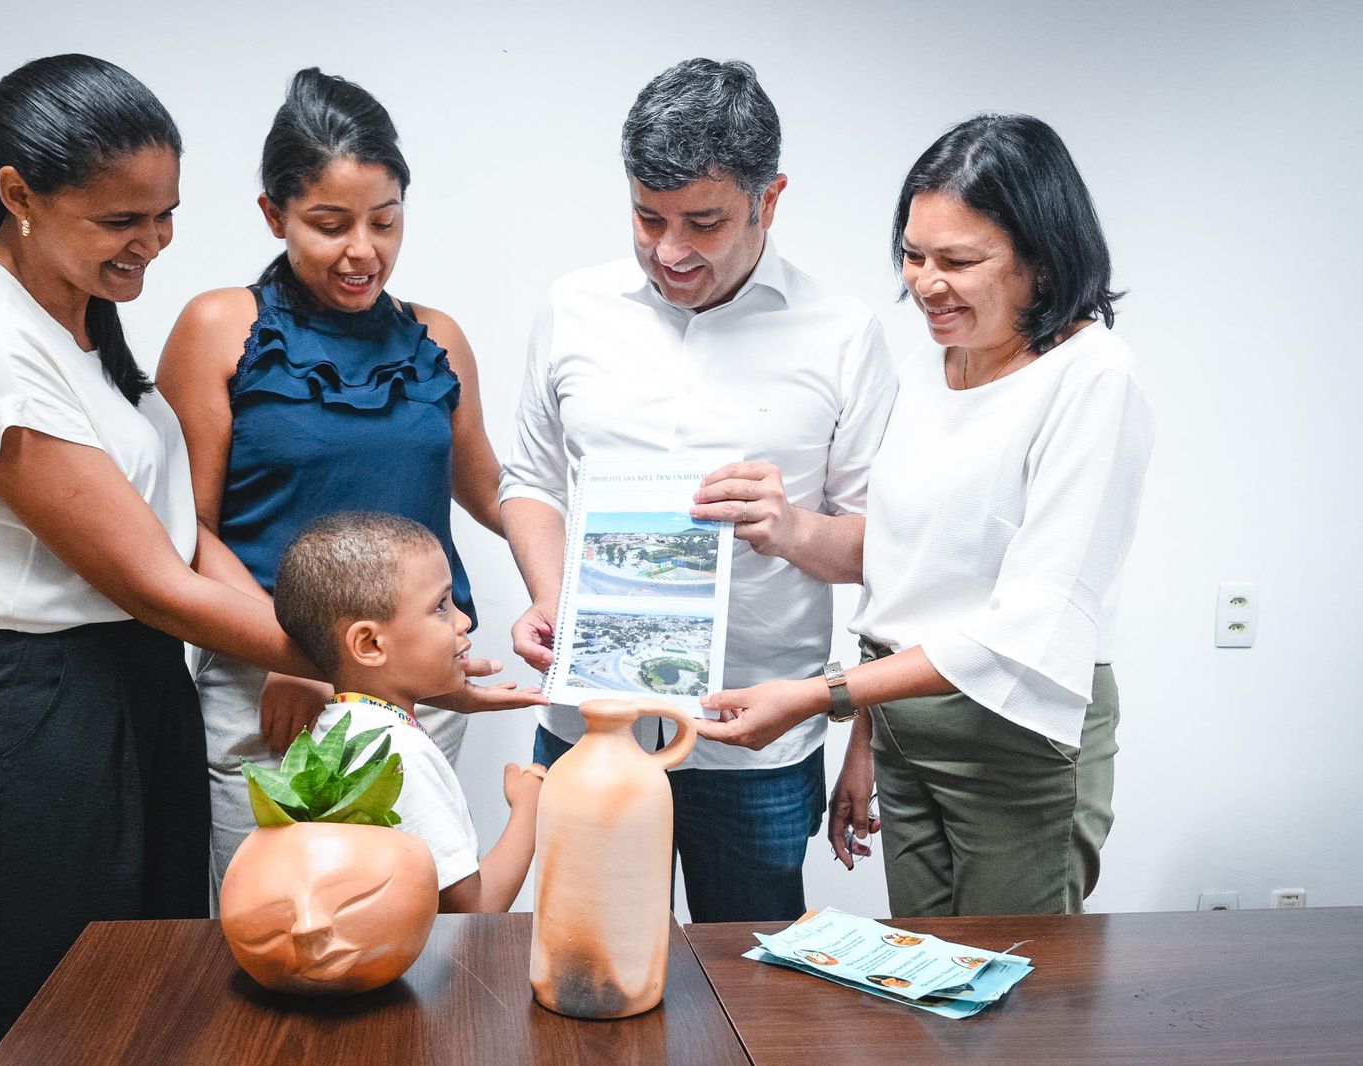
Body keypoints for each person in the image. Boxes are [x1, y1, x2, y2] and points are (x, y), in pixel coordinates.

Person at [0, 56, 314, 1066]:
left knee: (154, 1021)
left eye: (164, 213)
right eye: (121, 219)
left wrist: (299, 647)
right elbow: (149, 581)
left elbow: (178, 532)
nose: (152, 244)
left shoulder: (76, 315)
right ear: (18, 193)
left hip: (131, 695)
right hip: (29, 720)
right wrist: (370, 657)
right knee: (50, 1036)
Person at [692, 114, 1156, 918]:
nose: (924, 283)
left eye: (959, 261)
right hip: (906, 730)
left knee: (1017, 1000)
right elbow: (906, 579)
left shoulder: (1092, 381)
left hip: (1017, 742)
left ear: (1041, 264)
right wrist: (868, 742)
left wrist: (821, 697)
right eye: (912, 254)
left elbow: (1029, 624)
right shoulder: (924, 366)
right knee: (927, 988)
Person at [500, 58, 898, 923]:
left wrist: (791, 528)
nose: (669, 251)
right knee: (584, 971)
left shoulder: (843, 336)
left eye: (704, 223)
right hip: (590, 726)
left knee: (751, 992)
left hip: (752, 740)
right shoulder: (572, 308)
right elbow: (529, 481)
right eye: (648, 218)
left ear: (770, 199)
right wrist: (548, 592)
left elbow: (885, 549)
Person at [154, 67, 543, 905]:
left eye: (385, 221)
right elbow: (188, 530)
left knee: (413, 929)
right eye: (329, 224)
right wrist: (300, 655)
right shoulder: (221, 327)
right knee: (273, 929)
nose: (362, 249)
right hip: (269, 691)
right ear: (274, 214)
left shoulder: (436, 338)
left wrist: (597, 550)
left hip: (414, 678)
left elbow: (493, 491)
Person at [273, 512, 546, 911]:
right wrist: (530, 807)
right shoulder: (397, 754)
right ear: (369, 644)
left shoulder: (333, 732)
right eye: (440, 606)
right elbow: (474, 908)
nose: (464, 620)